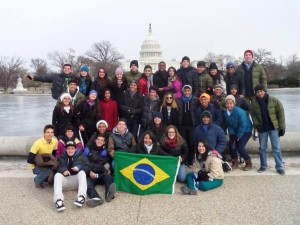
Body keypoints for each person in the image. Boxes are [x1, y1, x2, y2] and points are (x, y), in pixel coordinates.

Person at [250, 85, 286, 175]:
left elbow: (281, 113)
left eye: (261, 91)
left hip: (274, 128)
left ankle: (279, 166)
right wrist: (257, 125)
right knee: (262, 148)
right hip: (262, 129)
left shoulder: (274, 100)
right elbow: (253, 115)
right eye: (258, 92)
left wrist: (282, 127)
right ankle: (263, 166)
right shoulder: (254, 103)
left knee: (276, 148)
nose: (260, 93)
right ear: (256, 93)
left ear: (265, 91)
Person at [53, 141, 90, 211]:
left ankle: (81, 197)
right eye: (68, 149)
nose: (70, 150)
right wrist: (63, 170)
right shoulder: (61, 157)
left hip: (76, 182)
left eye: (72, 148)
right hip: (66, 182)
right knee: (57, 175)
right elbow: (57, 168)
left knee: (82, 173)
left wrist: (79, 167)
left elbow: (88, 166)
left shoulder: (82, 155)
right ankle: (59, 200)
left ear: (75, 149)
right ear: (66, 149)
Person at [223, 95, 253, 170]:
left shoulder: (240, 112)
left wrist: (238, 136)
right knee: (232, 145)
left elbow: (243, 125)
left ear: (234, 103)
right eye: (227, 103)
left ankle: (248, 162)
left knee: (240, 146)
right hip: (235, 131)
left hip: (246, 130)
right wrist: (232, 135)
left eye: (231, 103)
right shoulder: (225, 113)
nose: (229, 105)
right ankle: (234, 162)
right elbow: (229, 125)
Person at [85, 134, 116, 207]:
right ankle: (96, 198)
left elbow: (108, 164)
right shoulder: (89, 150)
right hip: (91, 174)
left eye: (101, 140)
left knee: (109, 178)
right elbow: (85, 163)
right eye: (98, 139)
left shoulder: (106, 153)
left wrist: (109, 169)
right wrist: (89, 171)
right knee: (87, 184)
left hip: (102, 174)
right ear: (95, 140)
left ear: (104, 142)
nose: (99, 141)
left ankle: (109, 194)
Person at [176, 85, 199, 165]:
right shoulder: (178, 100)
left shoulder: (196, 100)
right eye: (185, 91)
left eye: (188, 91)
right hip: (182, 125)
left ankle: (191, 159)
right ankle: (184, 159)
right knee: (184, 143)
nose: (187, 92)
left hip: (192, 125)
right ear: (183, 91)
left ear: (191, 91)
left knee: (191, 142)